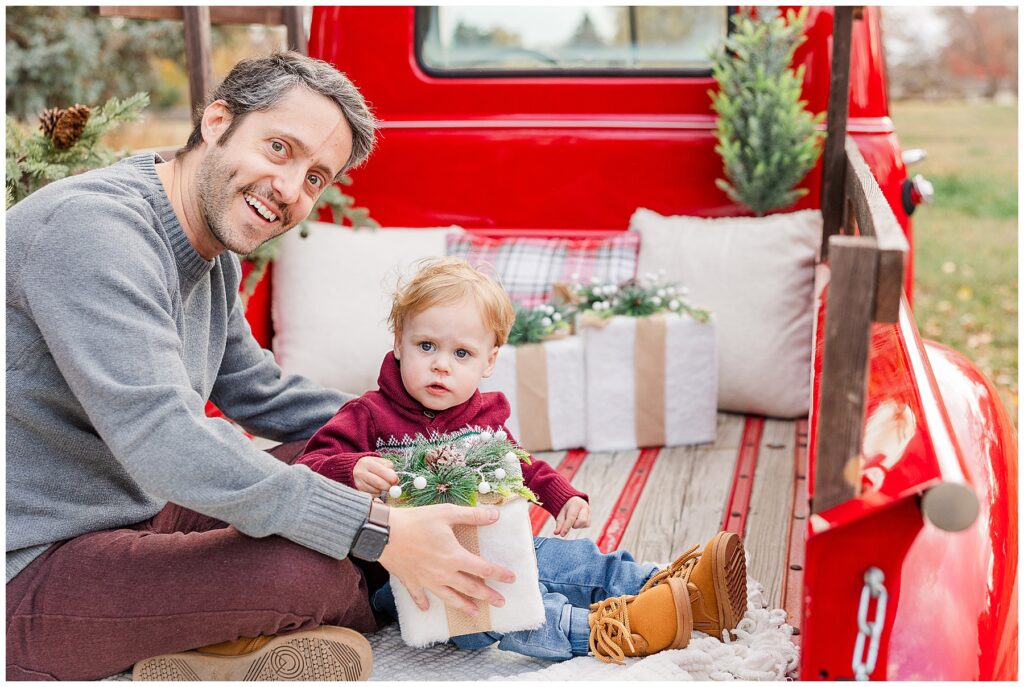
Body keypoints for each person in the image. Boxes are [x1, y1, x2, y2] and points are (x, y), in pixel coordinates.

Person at [6, 52, 518, 682]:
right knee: (312, 569)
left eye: (314, 178)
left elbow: (260, 391)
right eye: (280, 148)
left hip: (135, 514)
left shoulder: (210, 254)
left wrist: (436, 437)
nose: (290, 189)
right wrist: (378, 532)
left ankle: (216, 638)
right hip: (29, 563)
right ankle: (341, 603)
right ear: (217, 121)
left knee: (345, 454)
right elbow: (162, 438)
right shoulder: (94, 230)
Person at [295, 257, 749, 664]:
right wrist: (349, 468)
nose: (441, 366)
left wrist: (561, 495)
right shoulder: (370, 414)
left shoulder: (484, 415)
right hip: (405, 576)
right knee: (506, 599)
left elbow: (520, 463)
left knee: (565, 561)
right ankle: (607, 631)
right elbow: (310, 465)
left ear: (489, 361)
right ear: (399, 343)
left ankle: (669, 585)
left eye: (462, 354)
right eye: (426, 346)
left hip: (495, 543)